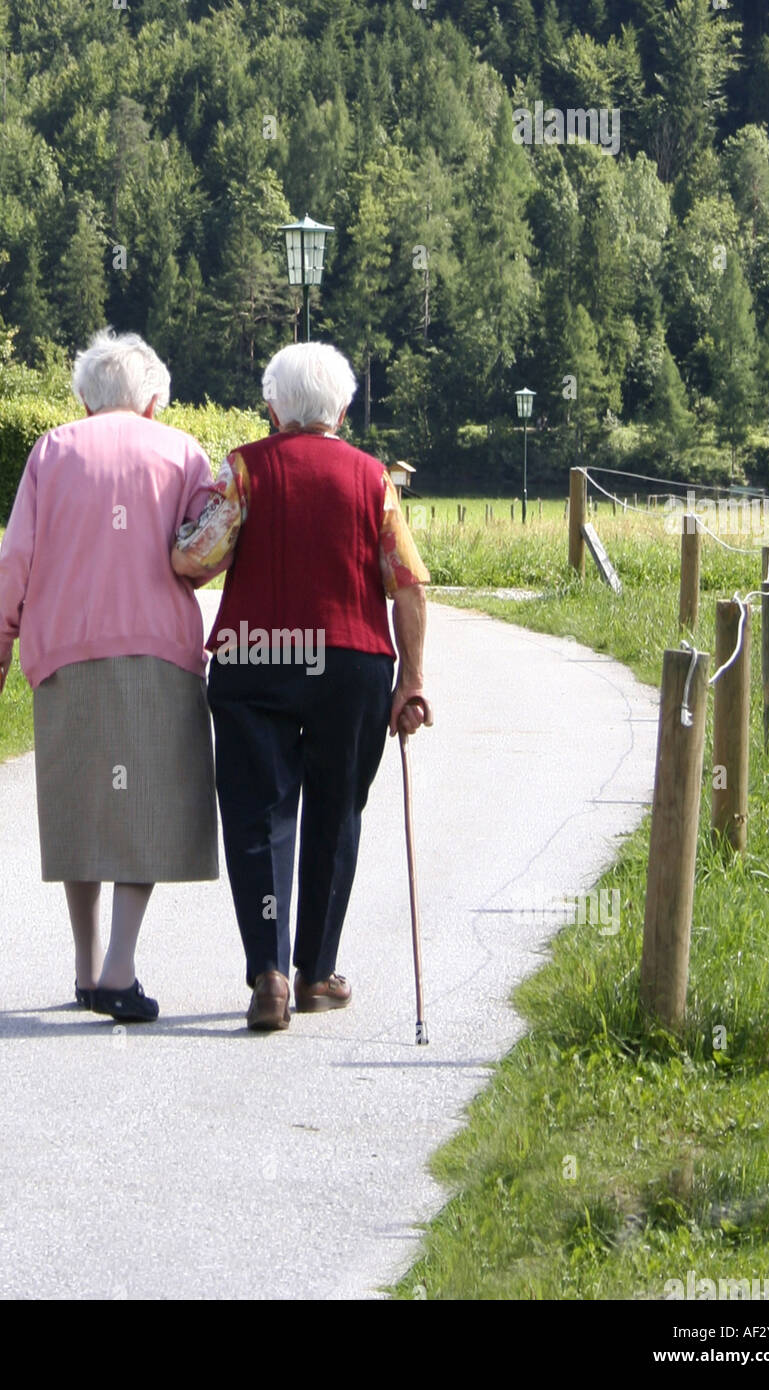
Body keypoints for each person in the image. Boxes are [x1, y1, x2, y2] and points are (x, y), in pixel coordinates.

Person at [171, 342, 432, 1031]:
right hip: (351, 663)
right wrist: (412, 679)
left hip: (256, 655)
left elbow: (198, 559)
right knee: (336, 809)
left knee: (257, 815)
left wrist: (174, 545)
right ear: (343, 411)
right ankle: (317, 971)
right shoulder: (374, 479)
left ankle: (270, 975)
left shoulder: (245, 469)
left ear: (272, 407)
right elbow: (408, 584)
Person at [0, 328, 219, 1023]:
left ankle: (84, 967)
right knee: (142, 806)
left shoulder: (52, 451)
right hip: (156, 650)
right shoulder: (180, 451)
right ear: (152, 401)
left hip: (64, 650)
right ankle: (120, 966)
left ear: (83, 397)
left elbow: (15, 558)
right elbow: (206, 552)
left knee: (79, 803)